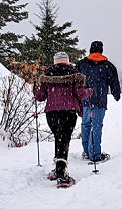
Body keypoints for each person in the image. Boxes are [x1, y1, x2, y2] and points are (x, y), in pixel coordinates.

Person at [34, 51, 90, 185]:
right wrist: (89, 91)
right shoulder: (74, 74)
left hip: (52, 113)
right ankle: (61, 173)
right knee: (64, 139)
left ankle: (58, 168)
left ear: (55, 62)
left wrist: (35, 89)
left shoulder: (47, 75)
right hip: (68, 112)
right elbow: (80, 94)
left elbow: (40, 97)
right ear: (67, 61)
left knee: (59, 138)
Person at [77, 40, 121, 163]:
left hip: (85, 99)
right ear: (101, 50)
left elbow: (75, 81)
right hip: (99, 99)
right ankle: (95, 154)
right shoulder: (107, 65)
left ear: (90, 49)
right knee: (96, 126)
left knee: (86, 124)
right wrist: (116, 94)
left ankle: (86, 151)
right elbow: (114, 81)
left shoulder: (81, 64)